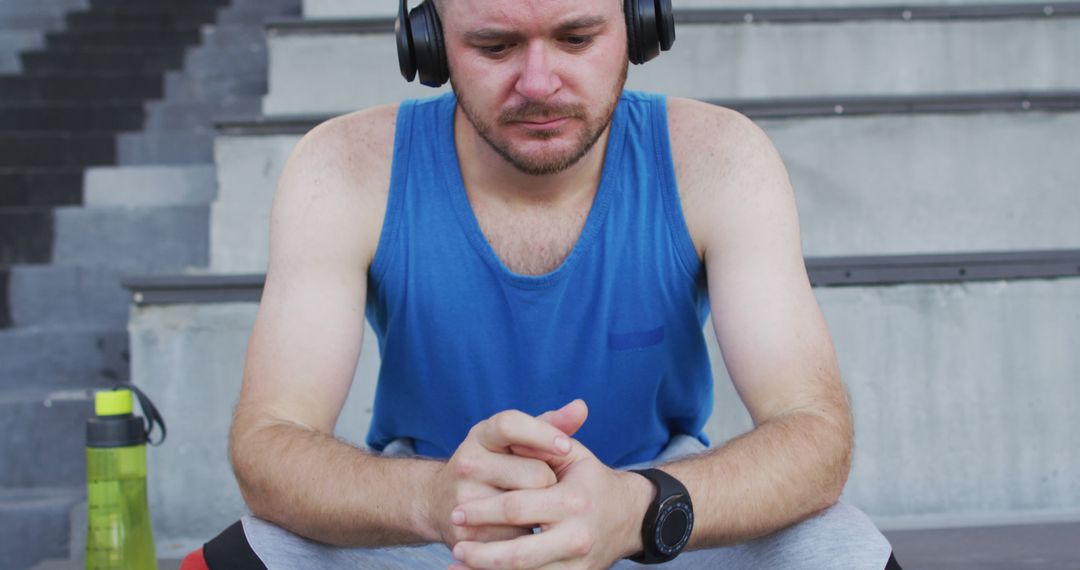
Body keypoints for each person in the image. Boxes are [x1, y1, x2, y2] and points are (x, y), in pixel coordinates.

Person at [190, 0, 903, 568]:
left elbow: (815, 436)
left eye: (576, 37)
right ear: (429, 42)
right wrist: (439, 499)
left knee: (839, 547)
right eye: (495, 46)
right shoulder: (341, 170)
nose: (537, 82)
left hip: (652, 512)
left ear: (641, 23)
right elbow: (269, 443)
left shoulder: (721, 160)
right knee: (252, 552)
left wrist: (634, 510)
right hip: (435, 518)